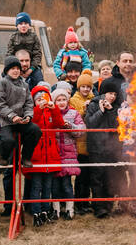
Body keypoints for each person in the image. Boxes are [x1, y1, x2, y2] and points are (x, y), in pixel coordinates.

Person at [0, 56, 42, 219]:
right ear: (7, 70)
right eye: (12, 68)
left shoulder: (24, 84)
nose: (15, 70)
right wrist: (12, 116)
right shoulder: (2, 83)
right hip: (6, 120)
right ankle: (4, 157)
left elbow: (29, 103)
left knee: (35, 130)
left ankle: (26, 156)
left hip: (21, 120)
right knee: (8, 141)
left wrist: (28, 116)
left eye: (17, 68)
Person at [24, 82, 64, 227]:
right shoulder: (33, 112)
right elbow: (31, 124)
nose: (42, 101)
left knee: (48, 187)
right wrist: (38, 110)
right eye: (38, 99)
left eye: (44, 98)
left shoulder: (51, 112)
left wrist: (54, 110)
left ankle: (46, 211)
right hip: (36, 155)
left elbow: (59, 123)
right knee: (36, 186)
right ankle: (36, 212)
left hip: (50, 155)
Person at [84, 77, 124, 217]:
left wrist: (111, 110)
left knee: (110, 177)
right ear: (104, 93)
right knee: (97, 177)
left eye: (115, 94)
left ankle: (108, 205)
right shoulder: (94, 104)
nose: (112, 96)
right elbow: (89, 123)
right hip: (96, 147)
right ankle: (98, 207)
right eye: (110, 93)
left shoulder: (116, 108)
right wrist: (100, 111)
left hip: (112, 148)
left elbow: (117, 126)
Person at [51, 84, 84, 219]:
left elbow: (81, 130)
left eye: (63, 99)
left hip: (69, 154)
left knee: (66, 184)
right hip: (55, 153)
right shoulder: (51, 114)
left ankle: (70, 210)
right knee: (55, 185)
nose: (61, 102)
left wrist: (71, 126)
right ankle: (56, 210)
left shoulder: (73, 113)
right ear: (54, 102)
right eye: (58, 100)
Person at [69, 70, 96, 213]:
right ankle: (79, 202)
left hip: (91, 143)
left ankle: (87, 201)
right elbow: (73, 117)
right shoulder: (73, 100)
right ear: (79, 87)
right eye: (83, 86)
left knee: (90, 175)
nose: (86, 89)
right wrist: (84, 110)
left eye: (88, 87)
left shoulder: (94, 99)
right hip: (79, 144)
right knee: (81, 176)